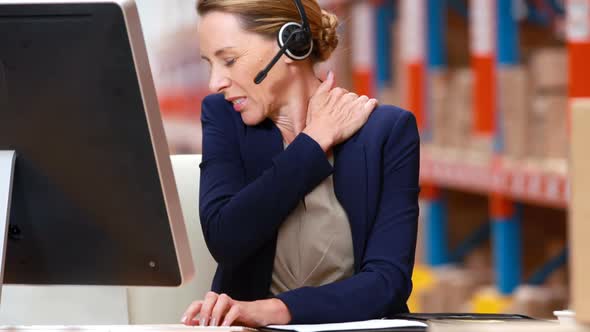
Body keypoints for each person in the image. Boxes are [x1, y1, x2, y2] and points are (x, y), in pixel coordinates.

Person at [181, 0, 420, 327]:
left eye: (230, 60)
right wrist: (313, 142)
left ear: (292, 43)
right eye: (210, 64)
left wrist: (274, 310)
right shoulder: (223, 117)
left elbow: (387, 281)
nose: (215, 83)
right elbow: (226, 237)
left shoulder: (387, 131)